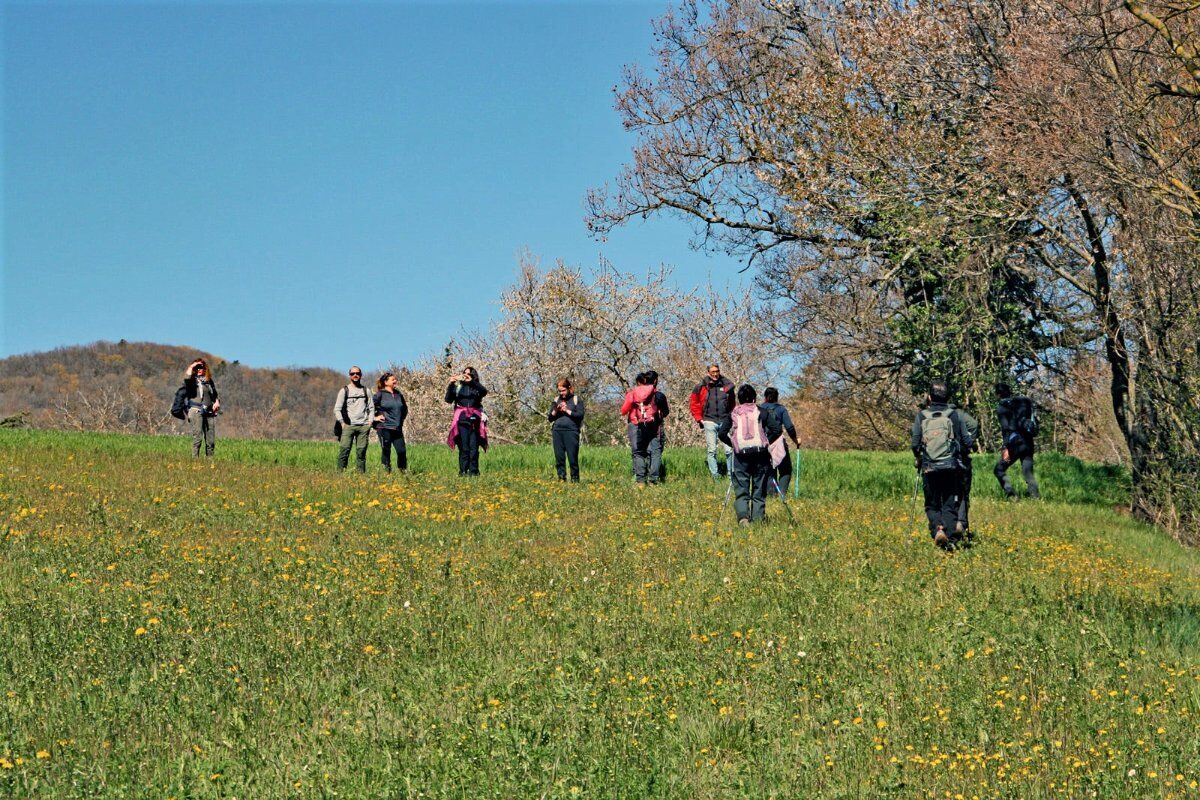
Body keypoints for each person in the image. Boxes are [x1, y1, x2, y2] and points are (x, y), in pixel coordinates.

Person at [911, 380, 976, 549]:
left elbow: (914, 443)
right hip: (951, 467)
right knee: (950, 503)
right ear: (948, 397)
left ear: (930, 397)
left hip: (929, 466)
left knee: (932, 503)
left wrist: (918, 458)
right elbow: (967, 442)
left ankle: (938, 529)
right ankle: (949, 538)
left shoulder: (922, 416)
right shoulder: (954, 414)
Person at [719, 384, 774, 525]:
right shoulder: (762, 411)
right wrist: (766, 442)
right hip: (760, 455)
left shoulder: (733, 413)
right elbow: (777, 429)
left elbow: (721, 433)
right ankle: (757, 519)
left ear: (739, 399)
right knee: (759, 489)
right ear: (755, 398)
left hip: (741, 457)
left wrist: (733, 444)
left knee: (741, 488)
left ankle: (743, 518)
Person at [620, 371, 669, 486]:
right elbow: (665, 412)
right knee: (656, 452)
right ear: (655, 381)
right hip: (655, 426)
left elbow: (623, 410)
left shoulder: (633, 393)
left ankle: (640, 480)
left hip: (637, 424)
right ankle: (653, 480)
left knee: (638, 452)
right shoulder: (658, 395)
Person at [994, 382, 1040, 500]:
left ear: (998, 394)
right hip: (1028, 442)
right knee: (1028, 472)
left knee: (999, 470)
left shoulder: (1002, 407)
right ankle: (1036, 498)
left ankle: (1012, 496)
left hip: (1016, 444)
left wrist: (1005, 448)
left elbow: (1006, 429)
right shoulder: (1023, 402)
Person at [690, 364, 736, 479]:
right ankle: (715, 476)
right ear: (708, 372)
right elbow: (694, 403)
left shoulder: (727, 385)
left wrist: (731, 416)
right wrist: (699, 418)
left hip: (725, 420)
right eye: (712, 371)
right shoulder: (701, 386)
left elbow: (732, 402)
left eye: (717, 371)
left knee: (729, 450)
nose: (715, 374)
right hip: (709, 420)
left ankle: (731, 475)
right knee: (712, 450)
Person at [445, 366, 488, 476]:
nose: (466, 376)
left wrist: (472, 382)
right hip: (462, 420)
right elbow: (448, 400)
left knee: (473, 448)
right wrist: (451, 385)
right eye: (464, 373)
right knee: (464, 447)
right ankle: (463, 471)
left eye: (469, 374)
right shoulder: (458, 387)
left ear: (473, 376)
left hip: (475, 420)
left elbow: (484, 392)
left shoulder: (476, 388)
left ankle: (474, 471)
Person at [759, 387, 802, 496]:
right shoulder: (781, 409)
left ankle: (772, 494)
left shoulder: (759, 409)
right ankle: (782, 494)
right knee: (785, 469)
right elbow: (789, 427)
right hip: (778, 442)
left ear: (765, 397)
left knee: (769, 469)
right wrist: (796, 440)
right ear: (777, 397)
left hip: (763, 443)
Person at [334, 366, 375, 473]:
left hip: (363, 426)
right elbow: (337, 409)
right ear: (349, 376)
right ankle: (340, 475)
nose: (355, 375)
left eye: (357, 373)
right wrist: (342, 423)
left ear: (361, 375)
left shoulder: (366, 391)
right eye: (352, 374)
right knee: (344, 451)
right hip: (348, 426)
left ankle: (360, 477)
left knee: (361, 453)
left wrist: (370, 422)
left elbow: (371, 408)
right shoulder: (344, 391)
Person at [547, 378, 585, 482]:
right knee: (559, 457)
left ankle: (575, 479)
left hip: (571, 431)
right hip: (557, 431)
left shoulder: (576, 399)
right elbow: (550, 418)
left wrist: (567, 410)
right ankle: (561, 479)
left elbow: (580, 415)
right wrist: (555, 410)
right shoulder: (556, 400)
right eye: (560, 391)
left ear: (569, 388)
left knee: (572, 457)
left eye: (563, 390)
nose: (561, 393)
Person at [181, 358, 219, 457]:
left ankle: (210, 462)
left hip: (209, 412)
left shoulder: (209, 381)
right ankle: (195, 462)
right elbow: (187, 376)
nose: (199, 369)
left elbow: (214, 394)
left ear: (205, 368)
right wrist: (193, 365)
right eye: (197, 367)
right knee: (198, 438)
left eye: (201, 367)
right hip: (196, 410)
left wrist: (217, 402)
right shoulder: (191, 381)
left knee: (210, 440)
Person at [372, 372, 408, 474]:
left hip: (397, 428)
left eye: (395, 379)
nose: (395, 381)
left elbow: (404, 409)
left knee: (401, 451)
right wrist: (375, 418)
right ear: (386, 382)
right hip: (384, 427)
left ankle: (403, 473)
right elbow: (368, 408)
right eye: (393, 380)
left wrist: (400, 420)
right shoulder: (379, 394)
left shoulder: (398, 394)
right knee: (386, 450)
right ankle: (386, 473)